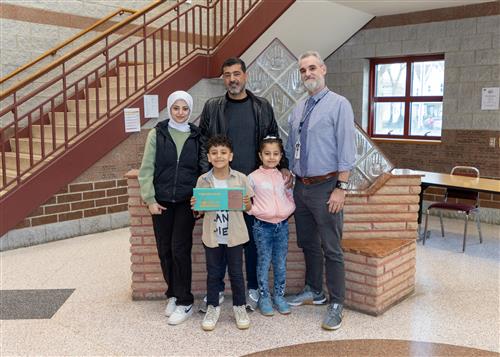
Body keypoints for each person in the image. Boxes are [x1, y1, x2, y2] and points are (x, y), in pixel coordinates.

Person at [198, 57, 291, 311]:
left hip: (251, 190)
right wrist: (204, 181)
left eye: (236, 73)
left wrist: (284, 165)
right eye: (227, 75)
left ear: (245, 76)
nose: (232, 79)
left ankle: (251, 289)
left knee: (249, 241)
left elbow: (274, 138)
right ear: (223, 79)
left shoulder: (261, 106)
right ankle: (215, 291)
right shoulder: (212, 107)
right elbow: (203, 144)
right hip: (220, 186)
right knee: (218, 240)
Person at [285, 51, 356, 330]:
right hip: (301, 187)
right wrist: (288, 170)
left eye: (312, 68)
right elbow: (292, 145)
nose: (307, 74)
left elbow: (347, 149)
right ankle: (315, 290)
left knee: (331, 247)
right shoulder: (299, 107)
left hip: (327, 187)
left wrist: (341, 187)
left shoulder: (339, 104)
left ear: (323, 70)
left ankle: (337, 302)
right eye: (303, 71)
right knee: (308, 243)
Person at [138, 90, 202, 325]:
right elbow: (146, 169)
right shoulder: (158, 133)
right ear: (169, 109)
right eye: (176, 108)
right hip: (162, 203)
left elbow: (202, 170)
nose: (181, 113)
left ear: (190, 110)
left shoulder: (197, 136)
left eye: (185, 108)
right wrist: (150, 199)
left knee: (179, 250)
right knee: (165, 250)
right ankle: (173, 294)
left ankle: (185, 302)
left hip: (186, 202)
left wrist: (200, 201)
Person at [192, 135, 254, 331]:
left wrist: (246, 203)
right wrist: (196, 206)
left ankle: (239, 307)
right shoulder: (203, 179)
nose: (219, 156)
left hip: (234, 235)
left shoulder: (241, 178)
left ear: (231, 156)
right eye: (214, 153)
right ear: (209, 157)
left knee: (236, 273)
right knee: (213, 273)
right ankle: (212, 307)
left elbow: (249, 206)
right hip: (212, 235)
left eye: (223, 152)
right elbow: (199, 211)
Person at [248, 136, 295, 316]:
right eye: (267, 154)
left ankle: (279, 296)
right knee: (264, 262)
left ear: (281, 155)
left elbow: (290, 195)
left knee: (280, 263)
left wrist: (288, 208)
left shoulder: (284, 176)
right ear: (260, 155)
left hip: (282, 226)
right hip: (262, 227)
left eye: (275, 154)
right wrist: (254, 210)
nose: (271, 157)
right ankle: (264, 297)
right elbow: (245, 200)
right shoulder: (252, 177)